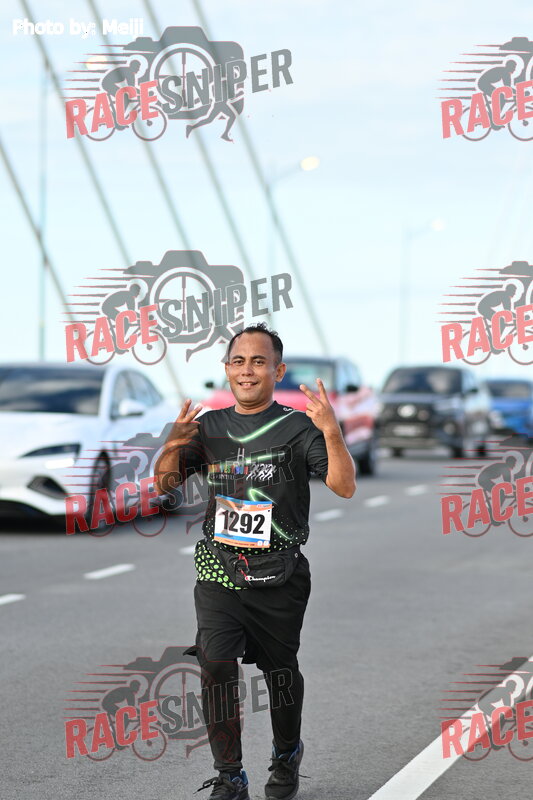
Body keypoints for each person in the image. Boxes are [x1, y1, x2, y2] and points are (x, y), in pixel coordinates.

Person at [155, 322, 356, 800]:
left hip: (280, 572)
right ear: (227, 369)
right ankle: (230, 775)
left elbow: (344, 486)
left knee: (280, 672)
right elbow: (165, 486)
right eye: (239, 361)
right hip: (219, 567)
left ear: (278, 371)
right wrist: (173, 444)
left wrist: (331, 431)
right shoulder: (208, 427)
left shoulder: (299, 427)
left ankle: (287, 753)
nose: (248, 370)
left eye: (259, 361)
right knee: (216, 664)